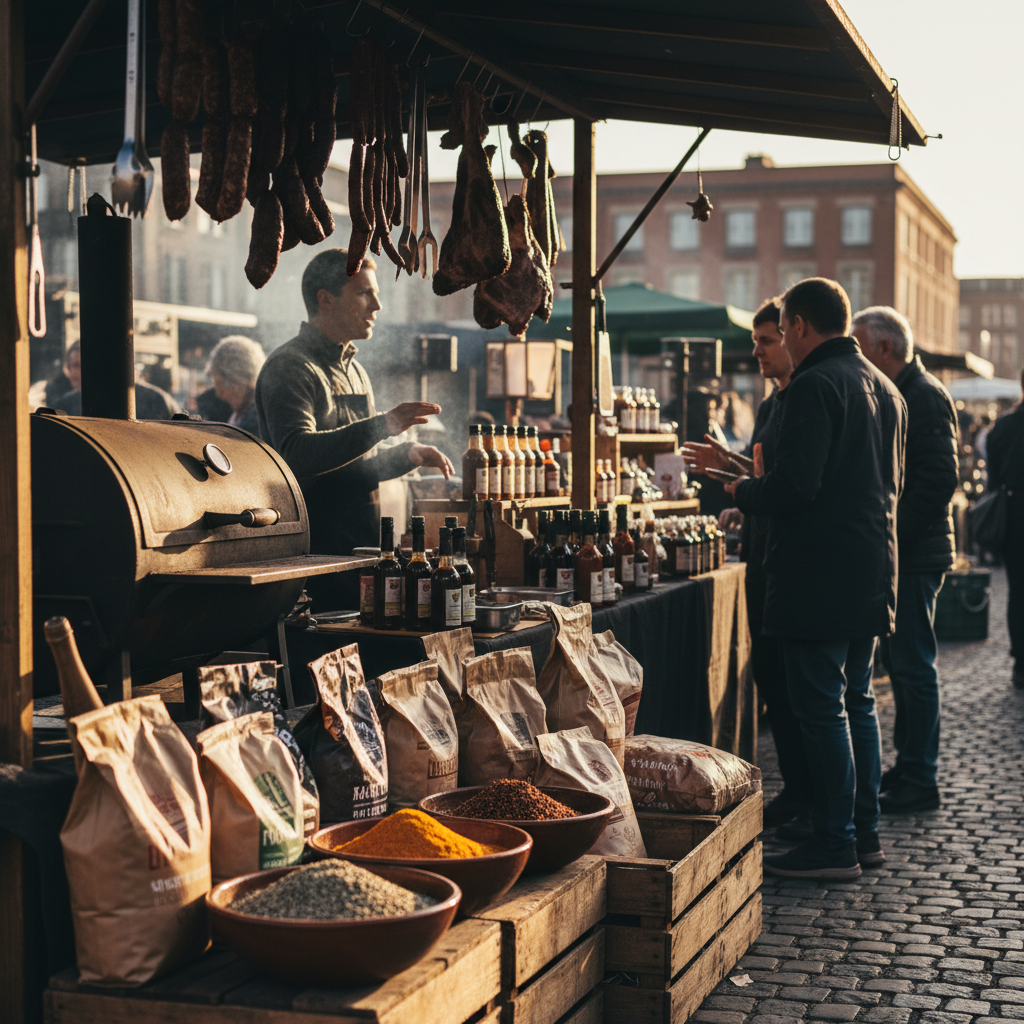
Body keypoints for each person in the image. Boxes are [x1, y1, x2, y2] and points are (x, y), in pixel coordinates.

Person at [724, 278, 906, 880]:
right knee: (856, 703)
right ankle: (861, 834)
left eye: (782, 331)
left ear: (799, 325)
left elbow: (793, 489)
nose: (781, 341)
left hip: (819, 576)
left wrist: (742, 489)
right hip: (871, 568)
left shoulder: (813, 385)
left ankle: (834, 842)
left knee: (825, 709)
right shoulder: (886, 387)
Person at [256, 249, 453, 607]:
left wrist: (407, 455)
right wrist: (384, 424)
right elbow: (296, 454)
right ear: (325, 300)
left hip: (360, 553)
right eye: (364, 293)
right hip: (315, 562)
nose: (377, 306)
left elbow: (359, 467)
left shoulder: (355, 370)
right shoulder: (290, 367)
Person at [683, 298, 812, 831]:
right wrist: (729, 469)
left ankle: (814, 798)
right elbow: (765, 474)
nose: (757, 350)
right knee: (771, 681)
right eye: (755, 341)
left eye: (767, 340)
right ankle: (798, 790)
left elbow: (790, 484)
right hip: (760, 557)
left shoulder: (804, 399)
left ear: (792, 336)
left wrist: (739, 483)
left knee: (799, 690)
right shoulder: (770, 404)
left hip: (790, 563)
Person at [852, 306, 959, 814]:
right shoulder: (902, 391)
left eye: (859, 346)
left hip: (915, 554)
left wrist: (890, 537)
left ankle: (921, 776)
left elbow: (938, 482)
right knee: (902, 665)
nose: (854, 356)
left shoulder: (924, 395)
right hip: (906, 551)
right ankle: (911, 764)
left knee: (914, 666)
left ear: (885, 348)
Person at [986, 369, 1024, 690]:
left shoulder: (1003, 427)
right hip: (1015, 518)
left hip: (1014, 520)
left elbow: (993, 479)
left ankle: (1021, 663)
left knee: (1018, 592)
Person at [54, 340, 182, 419]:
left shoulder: (156, 400)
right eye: (73, 366)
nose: (76, 373)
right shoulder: (65, 405)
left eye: (83, 365)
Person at [205, 335, 266, 436]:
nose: (219, 394)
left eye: (219, 384)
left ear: (236, 382)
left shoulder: (255, 423)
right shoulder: (244, 413)